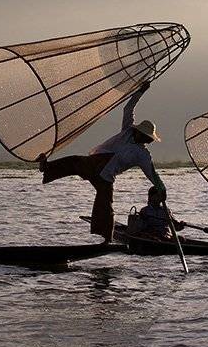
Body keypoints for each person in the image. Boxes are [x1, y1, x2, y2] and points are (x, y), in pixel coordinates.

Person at [36, 81, 165, 243]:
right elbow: (128, 109)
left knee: (105, 205)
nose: (144, 138)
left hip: (107, 176)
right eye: (142, 134)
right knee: (74, 162)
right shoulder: (127, 131)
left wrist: (161, 189)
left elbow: (152, 173)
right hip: (96, 162)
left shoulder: (143, 155)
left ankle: (106, 239)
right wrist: (140, 92)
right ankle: (46, 166)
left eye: (146, 137)